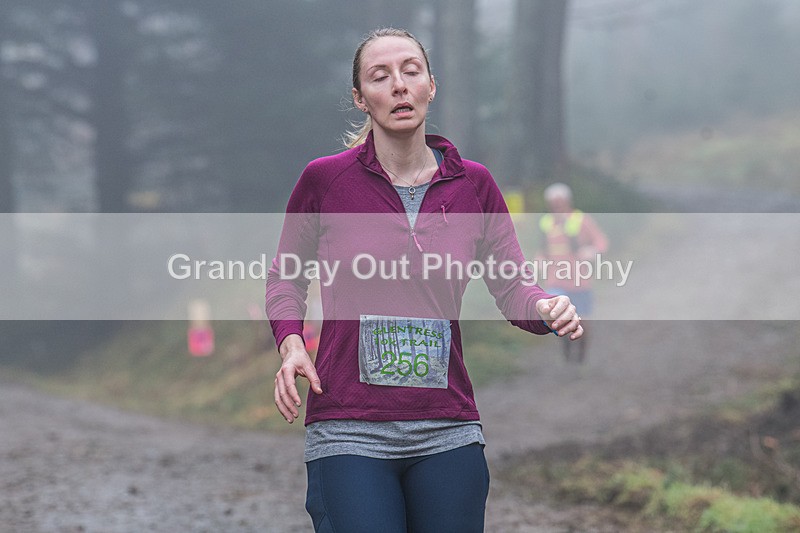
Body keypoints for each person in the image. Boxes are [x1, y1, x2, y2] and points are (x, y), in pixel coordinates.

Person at [265, 28, 583, 533]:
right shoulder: (325, 181)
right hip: (350, 429)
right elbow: (286, 277)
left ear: (431, 86)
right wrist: (291, 343)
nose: (398, 85)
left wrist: (545, 307)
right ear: (359, 98)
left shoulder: (472, 185)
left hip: (448, 428)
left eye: (411, 71)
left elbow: (512, 286)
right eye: (380, 76)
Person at [537, 182, 608, 364]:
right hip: (556, 281)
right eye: (553, 203)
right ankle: (567, 354)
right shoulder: (546, 222)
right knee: (559, 319)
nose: (556, 206)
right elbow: (543, 250)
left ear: (568, 201)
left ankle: (581, 358)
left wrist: (591, 251)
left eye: (559, 202)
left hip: (579, 281)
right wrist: (539, 260)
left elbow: (601, 242)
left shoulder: (581, 220)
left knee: (582, 321)